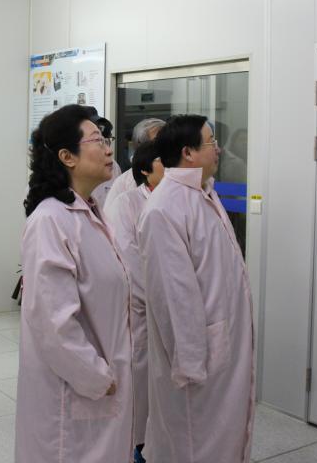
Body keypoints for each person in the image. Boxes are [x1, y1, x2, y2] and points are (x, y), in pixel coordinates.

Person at [16, 104, 134, 462]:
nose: (109, 149)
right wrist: (98, 377)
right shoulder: (51, 221)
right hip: (77, 391)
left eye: (107, 140)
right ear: (67, 157)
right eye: (97, 140)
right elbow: (53, 324)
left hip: (103, 382)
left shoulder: (91, 211)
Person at [138, 114, 255, 463]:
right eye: (210, 142)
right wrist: (190, 364)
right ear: (188, 152)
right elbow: (173, 297)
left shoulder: (204, 193)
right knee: (195, 442)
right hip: (197, 360)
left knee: (222, 436)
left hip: (221, 346)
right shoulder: (164, 208)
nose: (218, 148)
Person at [104, 140, 165, 463]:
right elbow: (130, 265)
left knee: (165, 396)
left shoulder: (180, 201)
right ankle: (137, 448)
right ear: (144, 169)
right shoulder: (125, 204)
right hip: (142, 313)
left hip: (170, 314)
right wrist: (165, 302)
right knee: (140, 391)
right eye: (163, 161)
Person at [103, 117, 165, 215]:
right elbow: (110, 219)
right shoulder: (125, 183)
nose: (167, 145)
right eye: (159, 141)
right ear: (142, 146)